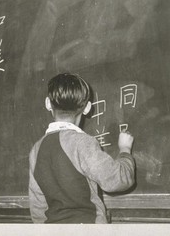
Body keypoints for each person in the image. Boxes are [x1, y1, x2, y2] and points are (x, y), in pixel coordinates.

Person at [28, 73, 135, 223]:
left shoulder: (36, 149)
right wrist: (125, 150)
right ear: (87, 108)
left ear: (47, 103)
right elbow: (118, 180)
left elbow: (37, 207)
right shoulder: (82, 143)